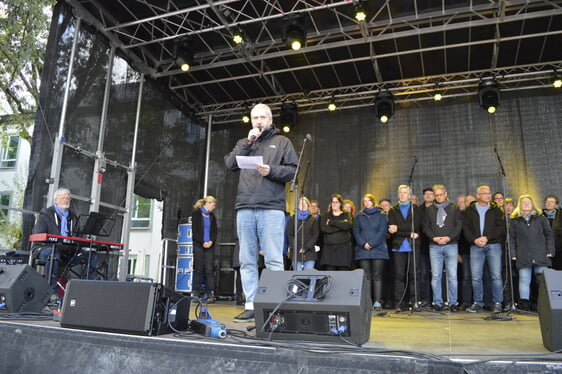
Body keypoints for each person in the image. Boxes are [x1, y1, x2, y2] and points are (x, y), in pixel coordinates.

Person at [224, 103, 298, 323]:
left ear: (270, 119)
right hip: (245, 207)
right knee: (246, 260)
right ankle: (251, 304)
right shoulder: (243, 143)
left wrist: (272, 170)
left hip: (271, 208)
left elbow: (294, 170)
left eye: (262, 118)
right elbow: (229, 164)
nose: (258, 121)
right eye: (255, 118)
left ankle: (275, 305)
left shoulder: (282, 142)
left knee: (274, 259)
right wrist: (248, 142)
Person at [33, 188, 99, 297]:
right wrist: (58, 242)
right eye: (63, 198)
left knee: (93, 256)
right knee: (53, 253)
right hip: (45, 250)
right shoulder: (45, 215)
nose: (66, 200)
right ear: (55, 200)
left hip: (66, 253)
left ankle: (84, 290)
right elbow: (38, 236)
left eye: (68, 198)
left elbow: (78, 237)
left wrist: (78, 245)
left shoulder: (73, 217)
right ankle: (51, 294)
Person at [462, 185, 506, 313]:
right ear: (478, 196)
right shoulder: (469, 211)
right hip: (475, 246)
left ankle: (497, 302)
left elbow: (500, 228)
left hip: (493, 245)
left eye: (489, 193)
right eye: (484, 193)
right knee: (476, 276)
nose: (488, 195)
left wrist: (487, 237)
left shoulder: (496, 209)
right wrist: (474, 239)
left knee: (496, 276)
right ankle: (478, 302)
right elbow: (466, 228)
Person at [509, 195, 555, 311]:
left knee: (542, 281)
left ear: (533, 204)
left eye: (528, 202)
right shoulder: (515, 221)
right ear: (519, 205)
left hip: (541, 254)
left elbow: (549, 235)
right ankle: (525, 305)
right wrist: (513, 254)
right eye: (523, 203)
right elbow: (512, 239)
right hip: (523, 255)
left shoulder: (541, 219)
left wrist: (550, 250)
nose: (526, 205)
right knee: (524, 280)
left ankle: (544, 305)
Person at [423, 185, 463, 311]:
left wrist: (448, 238)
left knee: (452, 276)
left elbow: (458, 226)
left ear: (445, 194)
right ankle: (438, 302)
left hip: (451, 245)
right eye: (437, 195)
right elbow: (426, 227)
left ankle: (453, 303)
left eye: (441, 194)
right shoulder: (429, 210)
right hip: (434, 246)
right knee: (436, 275)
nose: (439, 197)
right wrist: (433, 238)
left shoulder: (454, 208)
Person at [387, 185, 422, 310]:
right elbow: (392, 230)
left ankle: (415, 301)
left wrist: (399, 229)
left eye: (405, 193)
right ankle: (399, 302)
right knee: (399, 275)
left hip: (413, 247)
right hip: (398, 247)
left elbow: (416, 226)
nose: (402, 195)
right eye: (400, 193)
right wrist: (409, 233)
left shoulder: (416, 209)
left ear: (409, 195)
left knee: (414, 275)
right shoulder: (393, 210)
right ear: (398, 195)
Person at [353, 194, 388, 311]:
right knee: (366, 277)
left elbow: (382, 231)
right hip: (363, 250)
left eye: (369, 201)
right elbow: (356, 231)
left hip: (378, 250)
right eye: (365, 201)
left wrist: (372, 243)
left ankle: (377, 301)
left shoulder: (381, 215)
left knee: (377, 276)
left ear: (373, 202)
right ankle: (367, 301)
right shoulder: (359, 216)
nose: (367, 203)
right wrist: (363, 243)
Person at [191, 196, 218, 303]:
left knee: (209, 269)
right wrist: (202, 242)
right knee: (198, 268)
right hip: (198, 245)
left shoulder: (212, 217)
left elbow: (215, 231)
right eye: (213, 205)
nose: (214, 207)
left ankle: (211, 293)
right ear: (207, 203)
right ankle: (196, 292)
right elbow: (195, 231)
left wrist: (211, 241)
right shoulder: (196, 215)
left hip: (209, 246)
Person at [320, 194, 354, 270]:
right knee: (330, 275)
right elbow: (324, 229)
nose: (334, 204)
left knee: (343, 274)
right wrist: (341, 226)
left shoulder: (346, 215)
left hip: (343, 249)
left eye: (336, 202)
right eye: (333, 202)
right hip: (329, 249)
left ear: (340, 204)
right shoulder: (325, 215)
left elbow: (347, 226)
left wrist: (332, 223)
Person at [287, 197, 320, 270]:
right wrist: (297, 247)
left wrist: (306, 248)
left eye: (305, 203)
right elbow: (290, 235)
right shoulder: (293, 219)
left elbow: (315, 236)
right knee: (297, 276)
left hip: (309, 253)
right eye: (301, 203)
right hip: (296, 252)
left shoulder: (313, 220)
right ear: (297, 206)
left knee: (308, 276)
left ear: (308, 206)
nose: (303, 205)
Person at [418, 187, 435, 308]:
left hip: (437, 245)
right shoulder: (418, 210)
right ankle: (426, 299)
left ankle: (438, 299)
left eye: (431, 194)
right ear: (423, 196)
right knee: (423, 274)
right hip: (423, 247)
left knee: (437, 274)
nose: (428, 196)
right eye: (426, 194)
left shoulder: (439, 209)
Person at [456, 195, 472, 309]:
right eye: (461, 202)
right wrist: (457, 252)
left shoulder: (472, 215)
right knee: (466, 277)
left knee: (478, 277)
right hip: (464, 252)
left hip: (477, 250)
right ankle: (465, 301)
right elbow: (457, 237)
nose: (463, 203)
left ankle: (480, 301)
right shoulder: (458, 216)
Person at [543, 195, 562, 270]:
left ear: (556, 205)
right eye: (547, 202)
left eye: (551, 202)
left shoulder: (560, 216)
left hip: (559, 250)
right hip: (545, 250)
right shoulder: (540, 215)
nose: (549, 203)